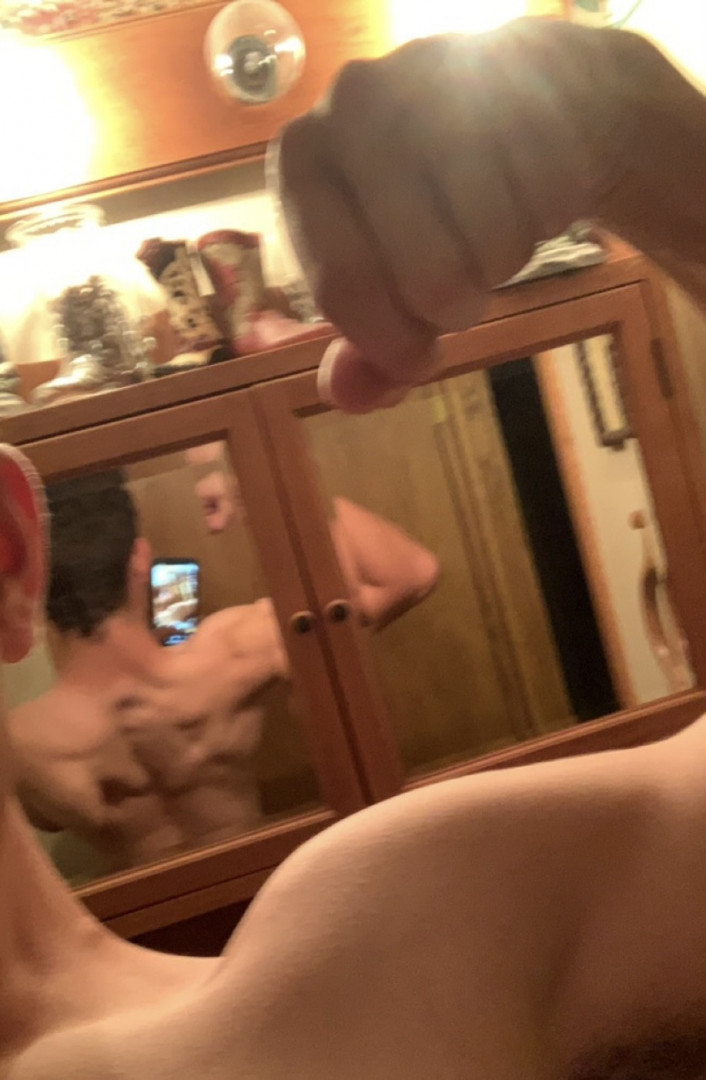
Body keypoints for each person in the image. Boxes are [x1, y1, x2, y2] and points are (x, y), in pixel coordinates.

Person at [5, 16, 706, 1080]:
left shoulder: (364, 966)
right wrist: (254, 497)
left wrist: (645, 145)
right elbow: (400, 573)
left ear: (14, 561)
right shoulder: (204, 650)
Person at [7, 465, 439, 872]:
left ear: (34, 586)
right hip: (264, 890)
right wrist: (265, 488)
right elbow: (410, 573)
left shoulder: (20, 743)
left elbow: (44, 820)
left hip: (160, 918)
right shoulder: (233, 651)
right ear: (140, 559)